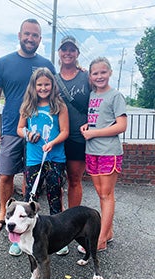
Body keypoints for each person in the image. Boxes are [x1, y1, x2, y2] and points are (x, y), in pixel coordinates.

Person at [0, 19, 55, 255]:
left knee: (30, 176)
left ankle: (25, 220)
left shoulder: (45, 64)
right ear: (19, 35)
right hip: (10, 130)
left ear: (40, 39)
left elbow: (56, 91)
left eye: (35, 35)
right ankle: (4, 214)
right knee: (5, 174)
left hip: (37, 132)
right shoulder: (3, 63)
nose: (30, 38)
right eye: (27, 34)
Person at [17, 67, 69, 255]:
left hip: (55, 158)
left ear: (52, 85)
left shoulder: (59, 106)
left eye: (47, 84)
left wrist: (53, 143)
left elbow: (65, 131)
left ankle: (58, 238)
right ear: (34, 86)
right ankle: (21, 236)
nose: (43, 88)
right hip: (33, 159)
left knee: (54, 196)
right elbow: (19, 128)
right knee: (30, 197)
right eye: (39, 84)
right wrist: (28, 134)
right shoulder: (28, 106)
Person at [79, 57, 127, 252]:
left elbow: (121, 125)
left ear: (110, 73)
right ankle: (108, 232)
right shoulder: (91, 95)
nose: (99, 76)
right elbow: (99, 120)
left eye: (103, 72)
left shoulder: (116, 96)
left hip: (108, 152)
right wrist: (88, 126)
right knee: (101, 194)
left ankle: (100, 240)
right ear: (90, 76)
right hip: (92, 150)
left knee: (106, 195)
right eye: (95, 73)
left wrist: (94, 133)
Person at [56, 36, 91, 208]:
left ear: (77, 53)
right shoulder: (53, 79)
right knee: (55, 179)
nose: (68, 53)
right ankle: (58, 216)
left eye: (72, 49)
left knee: (74, 180)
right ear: (59, 52)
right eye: (64, 49)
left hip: (78, 137)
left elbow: (98, 101)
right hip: (57, 136)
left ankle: (73, 219)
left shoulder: (86, 77)